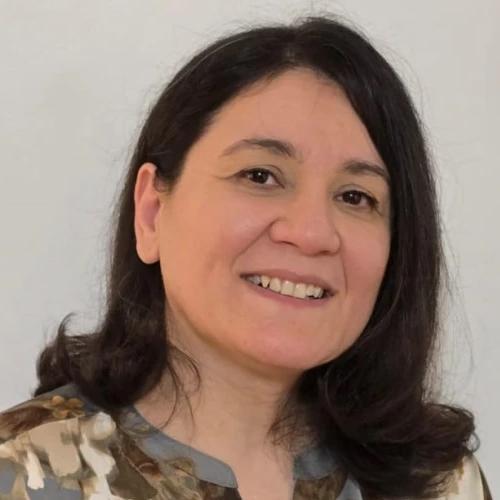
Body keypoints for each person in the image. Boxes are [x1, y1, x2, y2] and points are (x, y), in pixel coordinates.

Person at [0, 14, 492, 500]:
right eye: (260, 176)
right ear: (151, 212)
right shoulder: (22, 475)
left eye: (355, 196)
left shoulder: (443, 485)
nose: (311, 233)